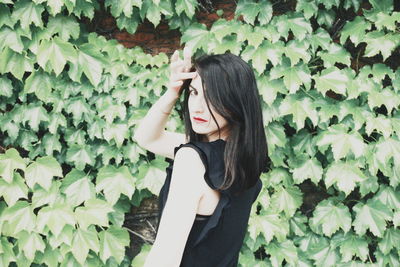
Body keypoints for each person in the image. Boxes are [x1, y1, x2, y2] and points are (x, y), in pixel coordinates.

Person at [134, 46, 268, 267]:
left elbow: (164, 259)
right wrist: (174, 90)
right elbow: (147, 138)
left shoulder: (192, 160)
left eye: (213, 97)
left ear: (235, 102)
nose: (197, 107)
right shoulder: (245, 157)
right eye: (194, 93)